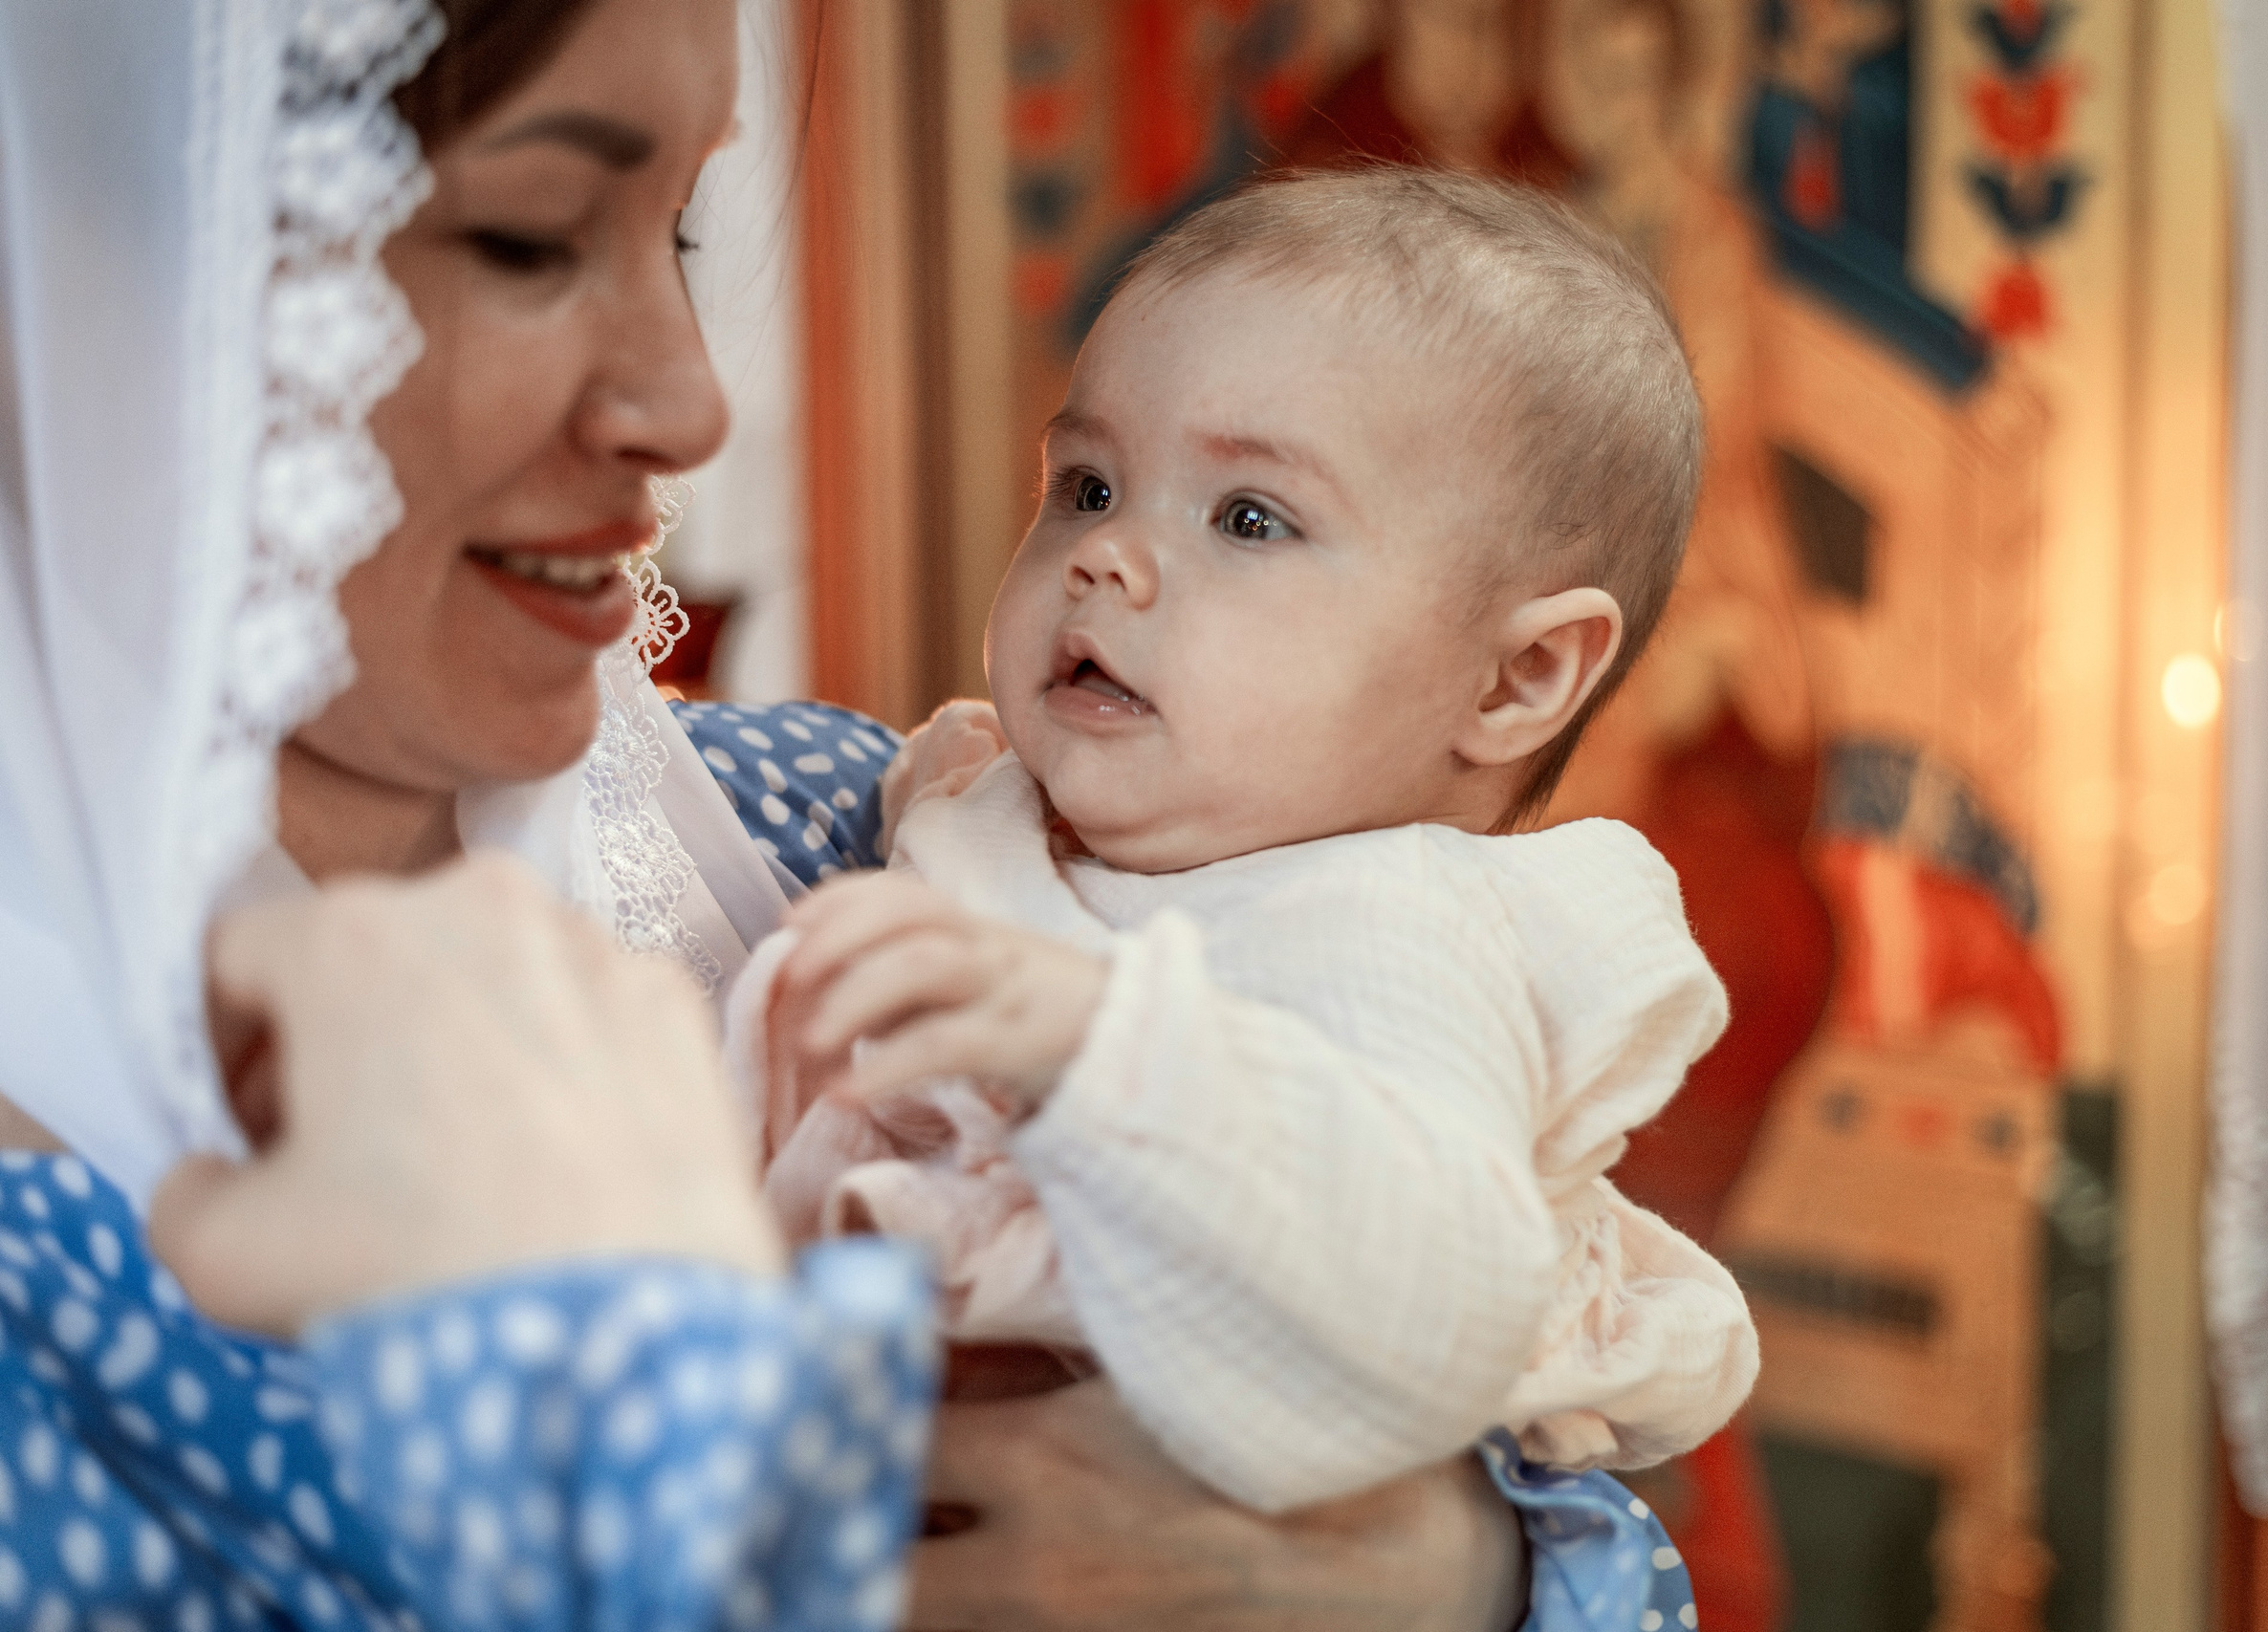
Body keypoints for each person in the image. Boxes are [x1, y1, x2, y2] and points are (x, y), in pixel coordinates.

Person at [0, 2, 1704, 1628]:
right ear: (95, 265)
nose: (692, 402)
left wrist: (1447, 1575)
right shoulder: (966, 835)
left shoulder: (846, 820)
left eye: (674, 233)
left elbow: (1541, 1435)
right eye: (531, 238)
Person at [743, 169, 1756, 1543]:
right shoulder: (968, 797)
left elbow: (1435, 1299)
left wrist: (1104, 1054)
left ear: (1514, 679)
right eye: (1089, 484)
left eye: (1249, 519)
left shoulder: (1395, 933)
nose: (1108, 557)